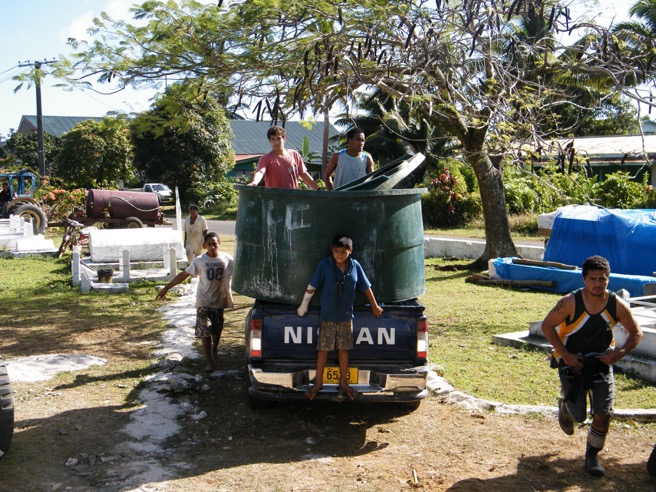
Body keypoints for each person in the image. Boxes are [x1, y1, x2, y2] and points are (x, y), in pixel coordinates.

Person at [541, 255, 643, 477]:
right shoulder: (570, 302)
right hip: (572, 362)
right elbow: (547, 326)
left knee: (603, 413)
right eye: (593, 279)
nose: (598, 283)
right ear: (584, 279)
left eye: (602, 279)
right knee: (578, 415)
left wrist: (619, 353)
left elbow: (637, 333)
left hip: (600, 363)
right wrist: (566, 355)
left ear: (608, 279)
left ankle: (592, 456)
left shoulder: (616, 304)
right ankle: (565, 408)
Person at [297, 234, 383, 400]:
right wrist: (303, 305)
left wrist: (374, 306)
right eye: (337, 251)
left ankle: (343, 382)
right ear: (332, 250)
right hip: (327, 316)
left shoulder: (355, 266)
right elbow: (313, 286)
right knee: (323, 349)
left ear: (350, 251)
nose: (340, 255)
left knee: (344, 349)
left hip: (346, 316)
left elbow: (365, 286)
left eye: (343, 252)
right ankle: (318, 382)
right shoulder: (324, 265)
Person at [156, 232, 234, 372]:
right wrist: (166, 288)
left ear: (219, 244)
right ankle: (208, 361)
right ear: (204, 245)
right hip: (204, 301)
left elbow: (240, 273)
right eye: (209, 244)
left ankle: (214, 349)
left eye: (215, 244)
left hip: (219, 300)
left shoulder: (228, 259)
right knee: (205, 331)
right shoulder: (200, 261)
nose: (212, 247)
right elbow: (183, 275)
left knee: (217, 329)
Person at [248, 125, 318, 190]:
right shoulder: (265, 158)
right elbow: (260, 172)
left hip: (292, 196)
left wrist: (318, 189)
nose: (276, 142)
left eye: (278, 138)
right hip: (273, 197)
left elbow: (303, 174)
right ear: (269, 141)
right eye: (273, 139)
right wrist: (254, 182)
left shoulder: (294, 155)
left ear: (284, 139)